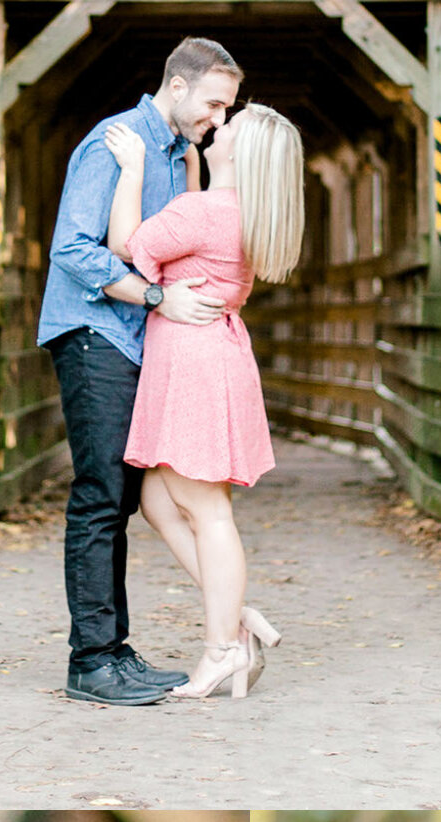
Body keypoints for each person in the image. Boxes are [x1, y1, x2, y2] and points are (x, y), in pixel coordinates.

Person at [35, 38, 241, 708]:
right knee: (99, 496)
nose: (218, 118)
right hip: (93, 333)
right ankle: (90, 661)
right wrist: (157, 299)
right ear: (176, 87)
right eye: (213, 103)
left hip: (130, 341)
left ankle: (115, 651)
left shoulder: (177, 156)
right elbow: (71, 247)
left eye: (227, 108)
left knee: (122, 499)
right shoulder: (115, 141)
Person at [102, 100, 303, 700]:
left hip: (190, 363)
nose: (219, 124)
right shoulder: (235, 211)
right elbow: (193, 225)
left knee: (206, 510)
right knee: (160, 499)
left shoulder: (204, 212)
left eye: (231, 125)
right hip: (213, 355)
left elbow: (124, 245)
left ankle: (221, 649)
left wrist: (134, 168)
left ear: (240, 151)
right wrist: (191, 167)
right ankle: (238, 618)